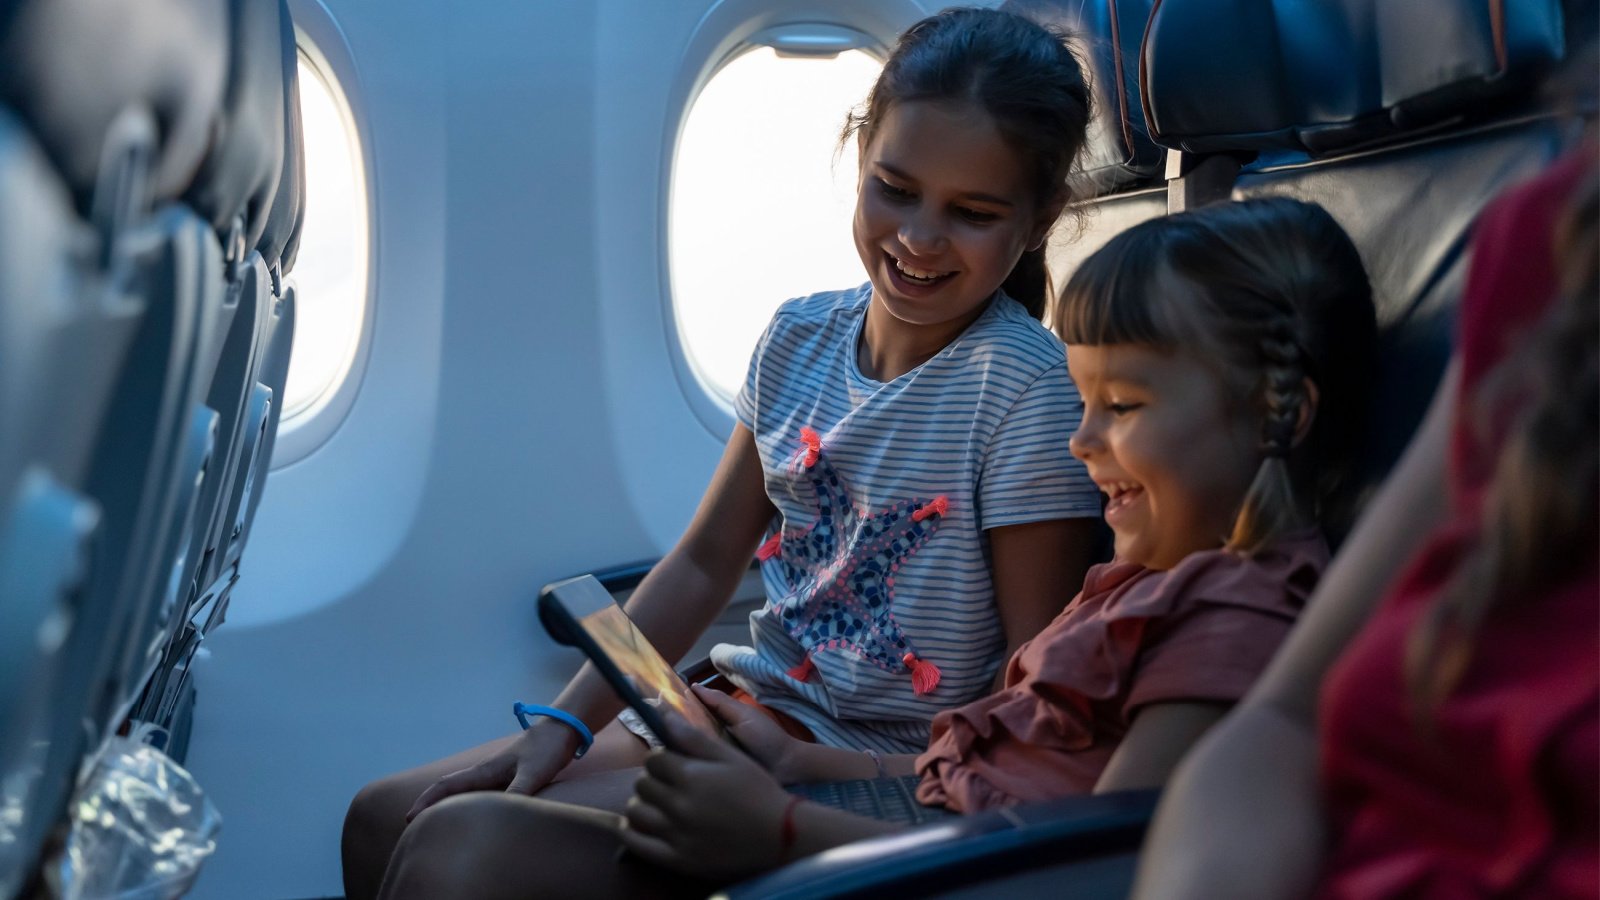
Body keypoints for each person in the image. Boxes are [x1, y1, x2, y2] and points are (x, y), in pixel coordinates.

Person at [375, 195, 1379, 899]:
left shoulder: (1232, 620)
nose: (1080, 444)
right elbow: (997, 756)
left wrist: (777, 829)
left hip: (927, 867)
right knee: (394, 818)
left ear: (1273, 418)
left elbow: (1095, 860)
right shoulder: (1145, 578)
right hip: (866, 804)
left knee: (462, 851)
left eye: (1119, 409)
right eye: (1083, 405)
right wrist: (797, 758)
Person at [341, 9, 1102, 897]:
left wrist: (814, 771)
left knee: (460, 850)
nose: (919, 238)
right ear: (860, 161)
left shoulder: (1023, 391)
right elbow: (703, 563)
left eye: (971, 213)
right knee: (380, 816)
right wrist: (561, 726)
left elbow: (1028, 697)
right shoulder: (798, 338)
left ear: (1042, 216)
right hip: (735, 711)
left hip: (871, 771)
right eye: (895, 189)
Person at [1132, 149, 1598, 898]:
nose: (1075, 438)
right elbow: (1284, 722)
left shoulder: (1232, 604)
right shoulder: (1555, 251)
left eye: (1120, 407)